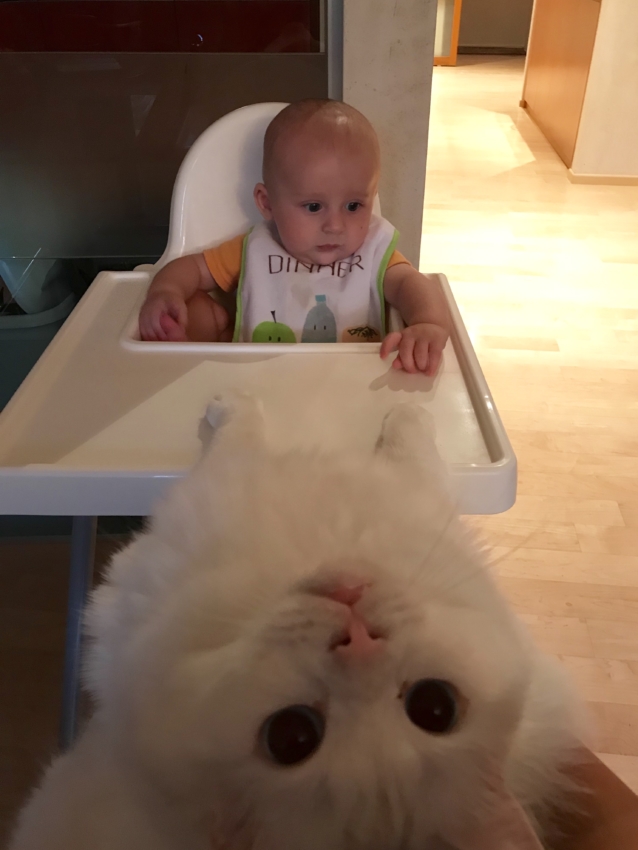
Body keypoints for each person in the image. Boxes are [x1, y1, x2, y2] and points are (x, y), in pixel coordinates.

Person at [138, 99, 450, 376]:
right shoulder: (257, 249)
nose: (336, 225)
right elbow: (192, 269)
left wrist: (428, 323)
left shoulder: (374, 250)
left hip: (353, 391)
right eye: (314, 206)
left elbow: (412, 283)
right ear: (267, 203)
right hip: (258, 390)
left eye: (354, 205)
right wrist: (165, 291)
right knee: (195, 311)